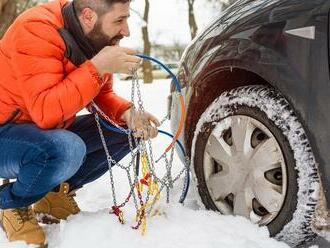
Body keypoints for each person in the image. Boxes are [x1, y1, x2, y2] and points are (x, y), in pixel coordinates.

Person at [0, 0, 160, 246]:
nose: (126, 31)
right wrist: (97, 67)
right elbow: (46, 112)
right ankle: (10, 204)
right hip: (6, 135)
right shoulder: (35, 29)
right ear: (88, 16)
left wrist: (128, 114)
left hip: (43, 133)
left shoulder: (95, 39)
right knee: (67, 148)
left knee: (124, 129)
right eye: (119, 20)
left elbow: (100, 95)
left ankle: (53, 195)